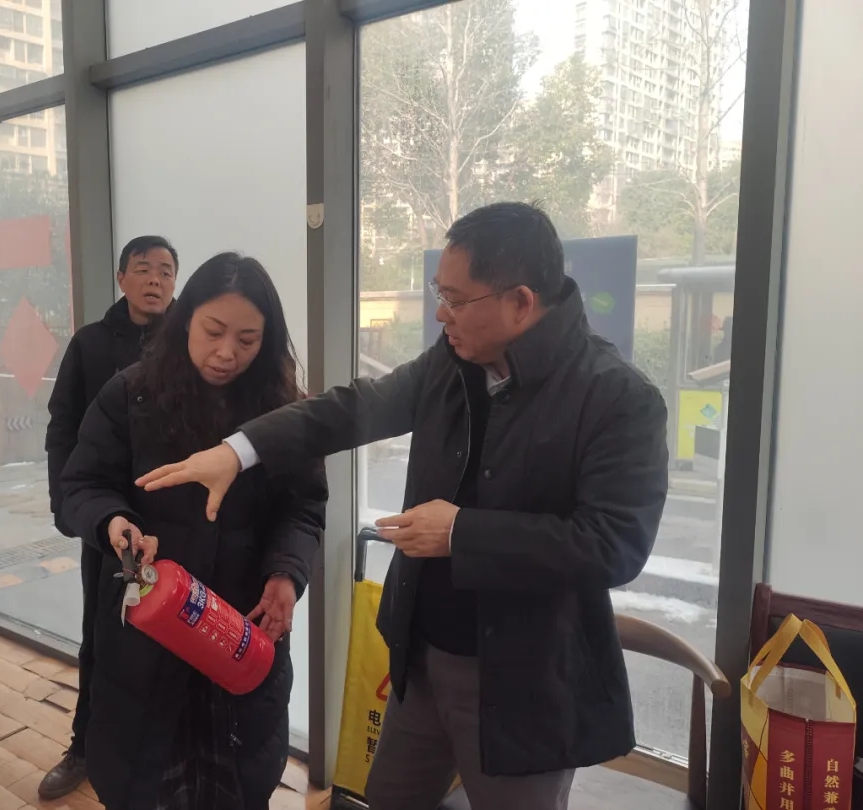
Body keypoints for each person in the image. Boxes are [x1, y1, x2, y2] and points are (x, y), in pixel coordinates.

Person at [139, 203, 670, 810]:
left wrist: (462, 533)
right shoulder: (454, 359)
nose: (441, 313)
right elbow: (353, 408)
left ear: (520, 303)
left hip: (525, 681)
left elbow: (613, 544)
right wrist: (239, 452)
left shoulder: (617, 397)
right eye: (439, 294)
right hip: (420, 659)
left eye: (456, 299)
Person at [58, 252, 327, 810]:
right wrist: (114, 523)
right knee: (148, 778)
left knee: (239, 781)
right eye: (213, 331)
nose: (227, 353)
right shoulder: (130, 396)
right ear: (185, 321)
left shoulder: (285, 410)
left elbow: (303, 508)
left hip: (240, 627)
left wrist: (286, 574)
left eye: (248, 340)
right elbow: (81, 485)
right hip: (149, 633)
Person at [39, 235, 178, 799]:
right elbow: (62, 428)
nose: (155, 280)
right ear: (122, 278)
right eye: (143, 269)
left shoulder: (188, 344)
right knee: (101, 636)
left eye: (166, 271)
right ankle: (85, 746)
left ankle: (166, 753)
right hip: (107, 521)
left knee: (171, 634)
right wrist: (67, 508)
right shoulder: (90, 344)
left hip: (172, 520)